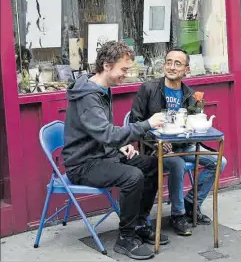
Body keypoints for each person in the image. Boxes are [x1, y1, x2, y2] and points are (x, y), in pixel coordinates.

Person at [62, 41, 167, 260]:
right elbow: (107, 134)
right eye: (124, 70)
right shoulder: (89, 98)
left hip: (103, 155)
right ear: (107, 65)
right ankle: (125, 239)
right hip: (83, 164)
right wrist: (147, 124)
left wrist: (119, 144)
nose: (126, 75)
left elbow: (102, 133)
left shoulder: (101, 88)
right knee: (132, 176)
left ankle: (139, 223)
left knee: (151, 164)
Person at [130, 48, 227, 235]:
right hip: (155, 147)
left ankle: (192, 203)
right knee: (177, 163)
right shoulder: (149, 89)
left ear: (186, 70)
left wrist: (195, 123)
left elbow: (192, 123)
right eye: (168, 62)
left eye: (177, 64)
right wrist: (155, 139)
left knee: (219, 161)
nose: (171, 67)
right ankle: (178, 214)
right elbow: (136, 122)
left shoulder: (189, 95)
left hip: (184, 144)